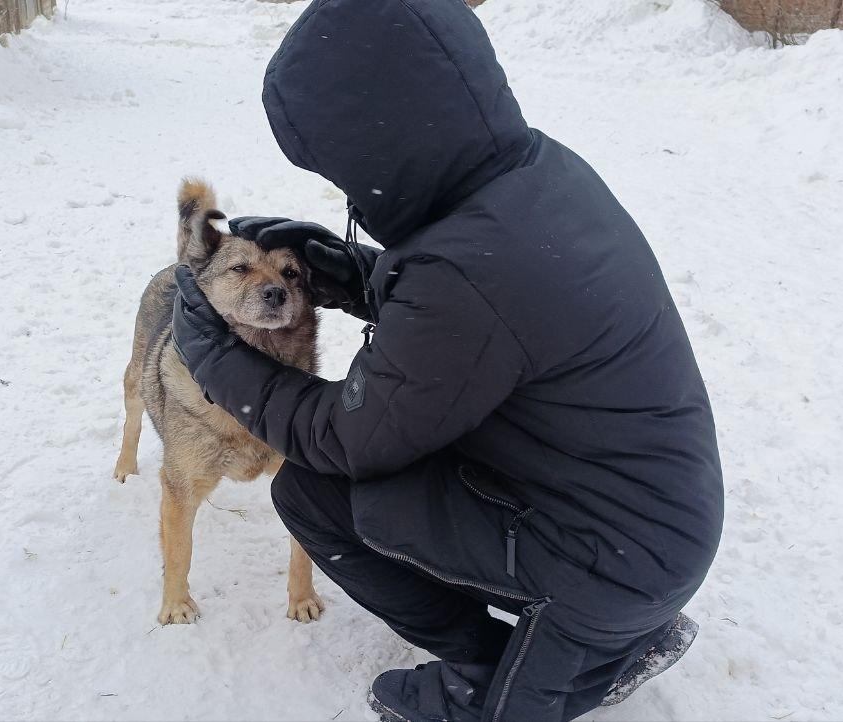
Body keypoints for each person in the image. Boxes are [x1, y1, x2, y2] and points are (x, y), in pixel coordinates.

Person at [168, 0, 724, 719]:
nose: (347, 191)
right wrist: (353, 272)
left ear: (379, 142)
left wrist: (217, 362)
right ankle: (604, 630)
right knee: (352, 477)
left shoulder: (468, 272)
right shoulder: (533, 173)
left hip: (610, 559)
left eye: (344, 170)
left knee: (315, 493)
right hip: (655, 518)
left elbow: (347, 438)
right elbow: (485, 317)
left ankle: (489, 671)